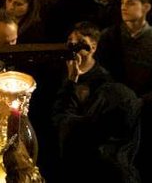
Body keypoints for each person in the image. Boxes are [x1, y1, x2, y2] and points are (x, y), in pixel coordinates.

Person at [53, 22, 142, 183]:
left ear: (92, 47)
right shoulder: (63, 69)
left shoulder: (103, 82)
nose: (73, 45)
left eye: (79, 41)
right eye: (70, 40)